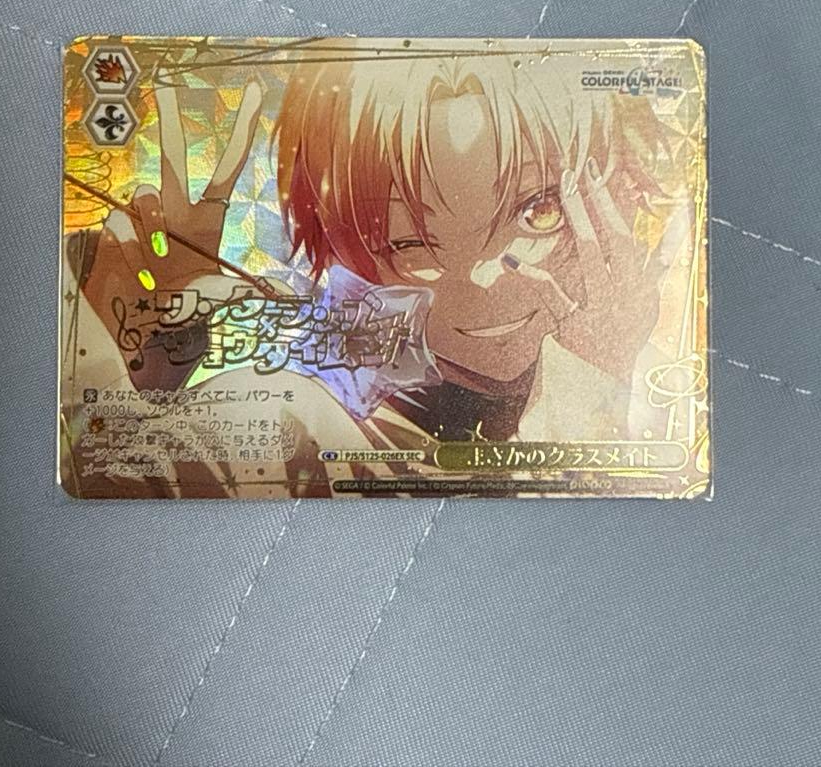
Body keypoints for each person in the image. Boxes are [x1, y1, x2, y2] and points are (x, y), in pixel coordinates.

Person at [65, 47, 690, 498]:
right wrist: (126, 379)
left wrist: (596, 372)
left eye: (538, 209)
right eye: (411, 240)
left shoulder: (663, 399)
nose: (481, 278)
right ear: (348, 247)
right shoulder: (304, 427)